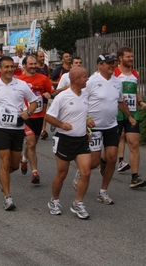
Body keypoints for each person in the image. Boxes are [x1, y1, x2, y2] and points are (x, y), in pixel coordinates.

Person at [73, 53, 138, 204]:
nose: (112, 65)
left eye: (113, 62)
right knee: (94, 162)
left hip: (111, 126)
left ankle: (103, 192)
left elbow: (120, 101)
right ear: (99, 65)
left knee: (111, 159)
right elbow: (80, 100)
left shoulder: (117, 82)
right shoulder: (91, 81)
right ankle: (80, 173)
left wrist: (129, 116)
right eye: (108, 63)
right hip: (94, 127)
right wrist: (86, 118)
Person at [0, 56, 37, 211]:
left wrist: (29, 112)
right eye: (6, 67)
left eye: (12, 66)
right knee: (5, 162)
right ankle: (8, 197)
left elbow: (34, 101)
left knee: (14, 165)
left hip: (17, 127)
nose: (10, 69)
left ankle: (2, 173)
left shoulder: (22, 84)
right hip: (0, 126)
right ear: (0, 68)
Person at [45, 67, 92, 219]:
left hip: (81, 141)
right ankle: (54, 200)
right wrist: (61, 125)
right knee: (62, 174)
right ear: (77, 80)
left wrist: (87, 123)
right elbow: (48, 117)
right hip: (65, 140)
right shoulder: (62, 97)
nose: (87, 79)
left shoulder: (85, 94)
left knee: (86, 172)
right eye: (85, 77)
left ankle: (78, 203)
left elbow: (81, 114)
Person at [17, 55, 53, 184]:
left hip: (39, 116)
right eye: (30, 64)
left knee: (32, 144)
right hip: (25, 116)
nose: (33, 66)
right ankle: (35, 172)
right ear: (24, 65)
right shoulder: (18, 80)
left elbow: (52, 92)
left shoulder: (43, 79)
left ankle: (25, 157)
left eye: (34, 64)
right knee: (31, 143)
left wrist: (50, 95)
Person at [114, 46, 146, 185]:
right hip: (116, 113)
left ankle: (135, 177)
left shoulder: (135, 74)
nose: (131, 58)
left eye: (132, 56)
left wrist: (140, 101)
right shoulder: (114, 72)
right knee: (112, 146)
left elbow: (135, 91)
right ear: (120, 58)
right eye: (128, 56)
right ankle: (104, 163)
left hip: (132, 113)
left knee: (134, 143)